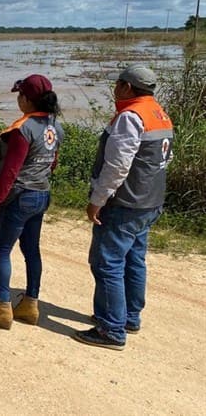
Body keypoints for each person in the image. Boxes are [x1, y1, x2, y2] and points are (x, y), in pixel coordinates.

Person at [74, 64, 173, 351]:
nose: (115, 88)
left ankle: (111, 329)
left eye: (117, 83)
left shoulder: (130, 117)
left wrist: (97, 201)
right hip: (150, 202)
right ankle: (129, 316)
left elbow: (117, 166)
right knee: (134, 259)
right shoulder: (159, 113)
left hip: (125, 203)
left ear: (127, 87)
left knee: (107, 263)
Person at [0, 74, 63, 330]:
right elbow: (53, 163)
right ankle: (30, 304)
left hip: (19, 197)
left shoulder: (22, 129)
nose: (18, 100)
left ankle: (2, 308)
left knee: (2, 250)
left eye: (20, 95)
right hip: (41, 194)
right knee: (31, 250)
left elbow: (10, 171)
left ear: (27, 99)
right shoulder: (55, 127)